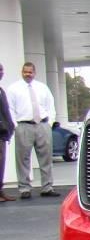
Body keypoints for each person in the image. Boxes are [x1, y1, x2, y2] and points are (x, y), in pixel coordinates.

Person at [6, 62, 59, 199]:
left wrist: (50, 122)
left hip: (42, 125)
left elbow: (50, 105)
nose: (28, 74)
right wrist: (15, 126)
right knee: (23, 158)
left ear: (34, 73)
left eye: (30, 72)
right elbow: (10, 109)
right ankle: (24, 189)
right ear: (21, 72)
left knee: (46, 157)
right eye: (25, 72)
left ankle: (47, 187)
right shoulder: (13, 89)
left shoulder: (42, 88)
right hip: (23, 125)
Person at [0, 63, 17, 201]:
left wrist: (10, 126)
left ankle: (0, 191)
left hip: (3, 134)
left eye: (1, 70)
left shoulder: (1, 91)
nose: (1, 72)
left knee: (2, 162)